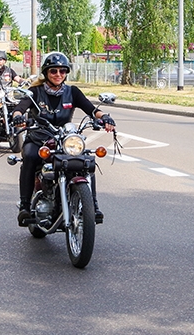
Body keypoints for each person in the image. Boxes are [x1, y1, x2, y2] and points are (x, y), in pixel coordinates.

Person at [10, 52, 115, 225]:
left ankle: (93, 207)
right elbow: (20, 108)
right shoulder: (35, 92)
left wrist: (105, 117)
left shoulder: (72, 92)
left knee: (86, 161)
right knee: (29, 156)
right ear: (46, 73)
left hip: (64, 140)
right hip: (39, 138)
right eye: (53, 71)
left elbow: (91, 109)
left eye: (62, 71)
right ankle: (25, 206)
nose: (58, 74)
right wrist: (18, 117)